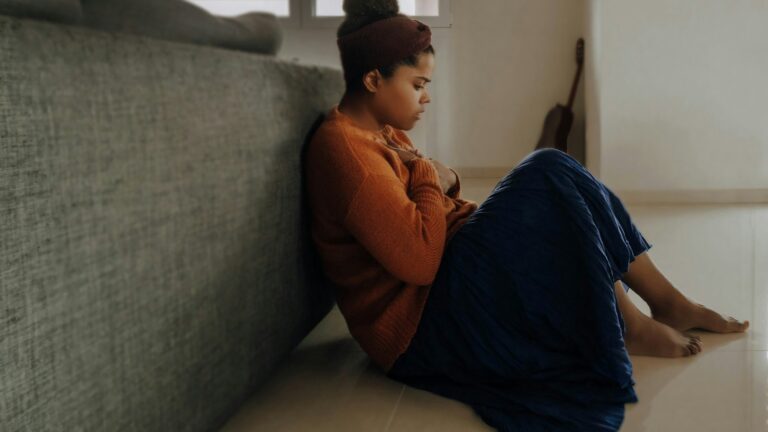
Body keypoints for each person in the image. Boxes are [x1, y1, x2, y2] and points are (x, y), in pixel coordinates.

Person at [303, 1, 750, 430]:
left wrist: (446, 180)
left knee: (552, 170)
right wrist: (425, 172)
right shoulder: (346, 152)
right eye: (418, 85)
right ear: (373, 80)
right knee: (545, 169)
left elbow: (431, 196)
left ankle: (667, 303)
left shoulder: (380, 129)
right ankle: (629, 325)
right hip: (419, 326)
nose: (426, 99)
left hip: (445, 277)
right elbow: (418, 262)